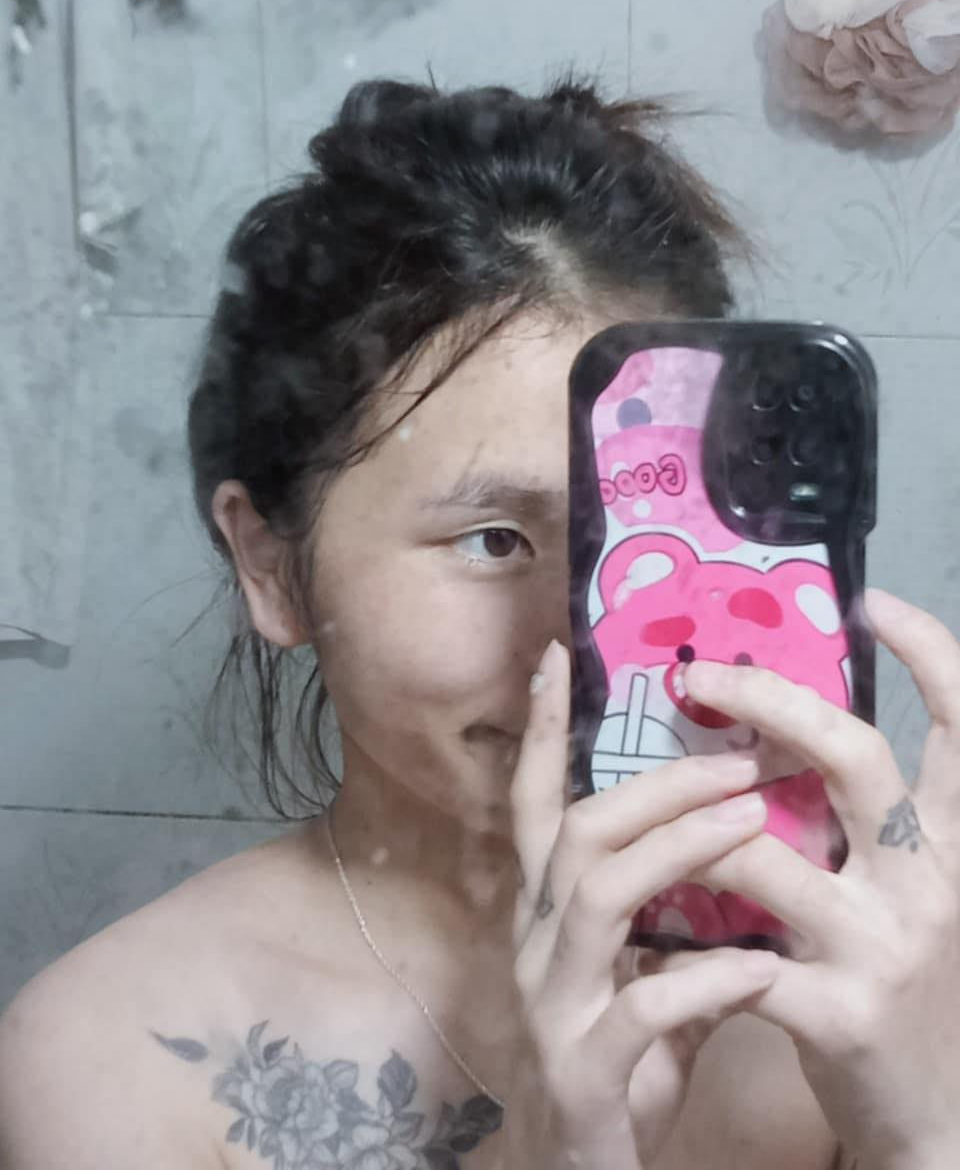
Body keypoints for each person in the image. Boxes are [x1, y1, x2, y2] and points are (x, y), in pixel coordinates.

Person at [2, 75, 959, 1170]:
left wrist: (927, 1131)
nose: (586, 640)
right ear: (273, 565)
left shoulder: (877, 965)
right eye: (494, 539)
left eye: (636, 535)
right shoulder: (110, 1062)